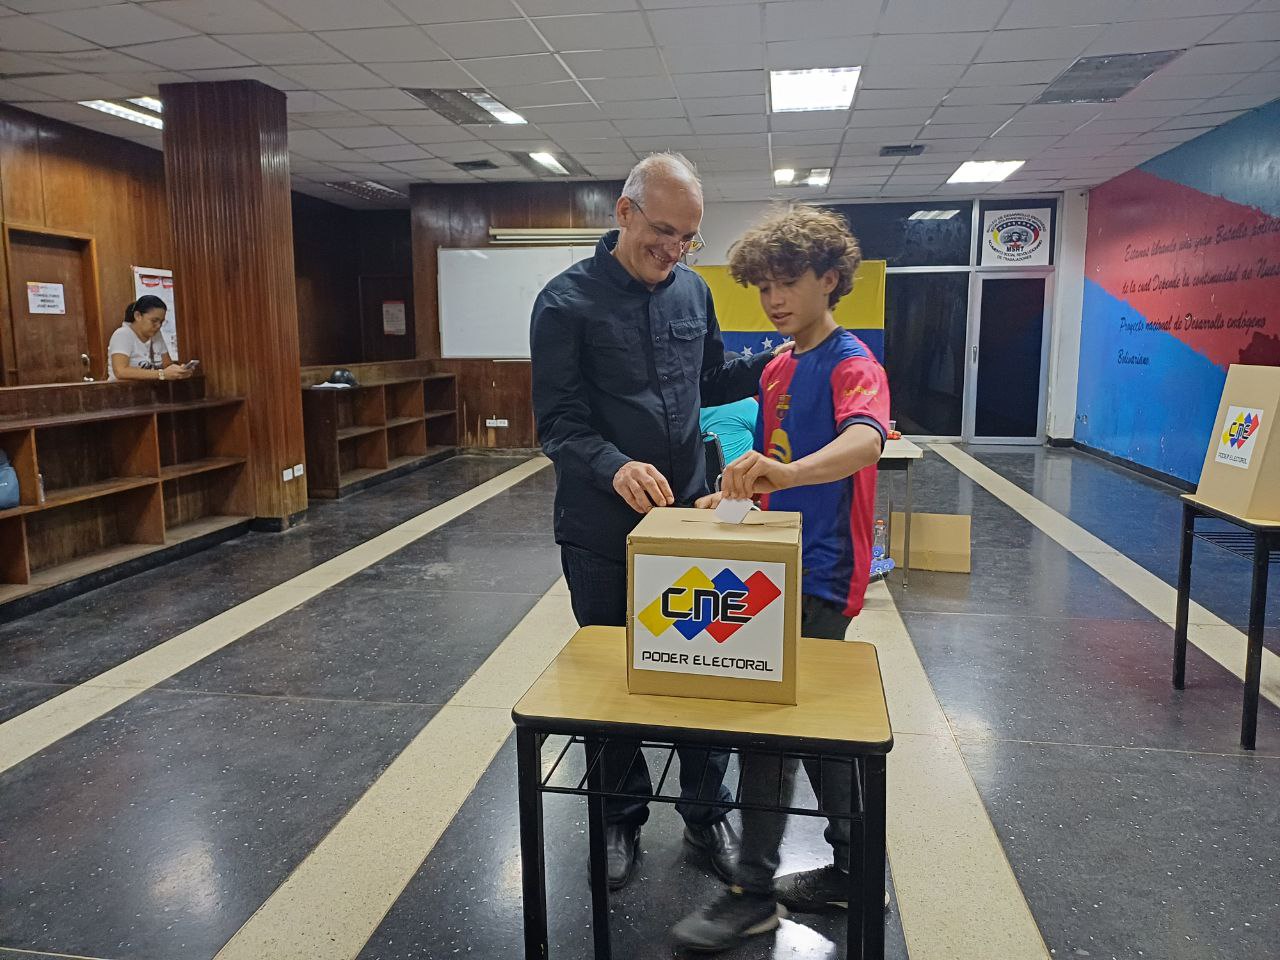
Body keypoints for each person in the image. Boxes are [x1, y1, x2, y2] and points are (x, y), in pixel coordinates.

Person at [531, 153, 783, 891]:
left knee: (707, 669)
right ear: (625, 212)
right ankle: (620, 816)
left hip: (691, 519)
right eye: (664, 231)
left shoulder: (694, 293)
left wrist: (780, 359)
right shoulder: (564, 303)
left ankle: (707, 812)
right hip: (602, 529)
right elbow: (558, 423)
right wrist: (613, 464)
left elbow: (708, 379)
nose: (674, 250)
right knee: (613, 681)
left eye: (688, 238)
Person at [672, 204, 890, 953]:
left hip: (825, 571)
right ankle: (854, 869)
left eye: (787, 282)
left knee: (767, 730)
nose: (773, 299)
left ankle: (752, 892)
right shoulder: (777, 366)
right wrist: (737, 499)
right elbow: (775, 466)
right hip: (776, 564)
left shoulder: (854, 363)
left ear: (830, 279)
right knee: (819, 732)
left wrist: (787, 475)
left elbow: (865, 443)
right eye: (763, 286)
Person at [108, 296, 193, 382]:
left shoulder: (156, 335)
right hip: (122, 389)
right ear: (138, 316)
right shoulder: (123, 334)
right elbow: (120, 371)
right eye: (154, 321)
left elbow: (167, 365)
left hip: (150, 388)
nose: (158, 326)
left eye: (161, 322)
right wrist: (161, 374)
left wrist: (178, 371)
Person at [699, 396, 758, 483]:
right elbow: (768, 441)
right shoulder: (745, 403)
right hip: (744, 484)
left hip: (705, 485)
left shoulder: (689, 412)